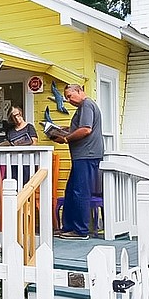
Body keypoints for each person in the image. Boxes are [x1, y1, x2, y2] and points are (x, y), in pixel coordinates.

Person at [51, 84, 104, 240]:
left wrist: (66, 138)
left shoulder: (87, 105)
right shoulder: (82, 108)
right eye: (66, 97)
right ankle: (69, 228)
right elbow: (79, 127)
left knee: (80, 192)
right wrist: (62, 129)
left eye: (70, 96)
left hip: (87, 155)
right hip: (81, 156)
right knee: (71, 192)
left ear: (80, 92)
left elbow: (86, 129)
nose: (68, 100)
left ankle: (81, 231)